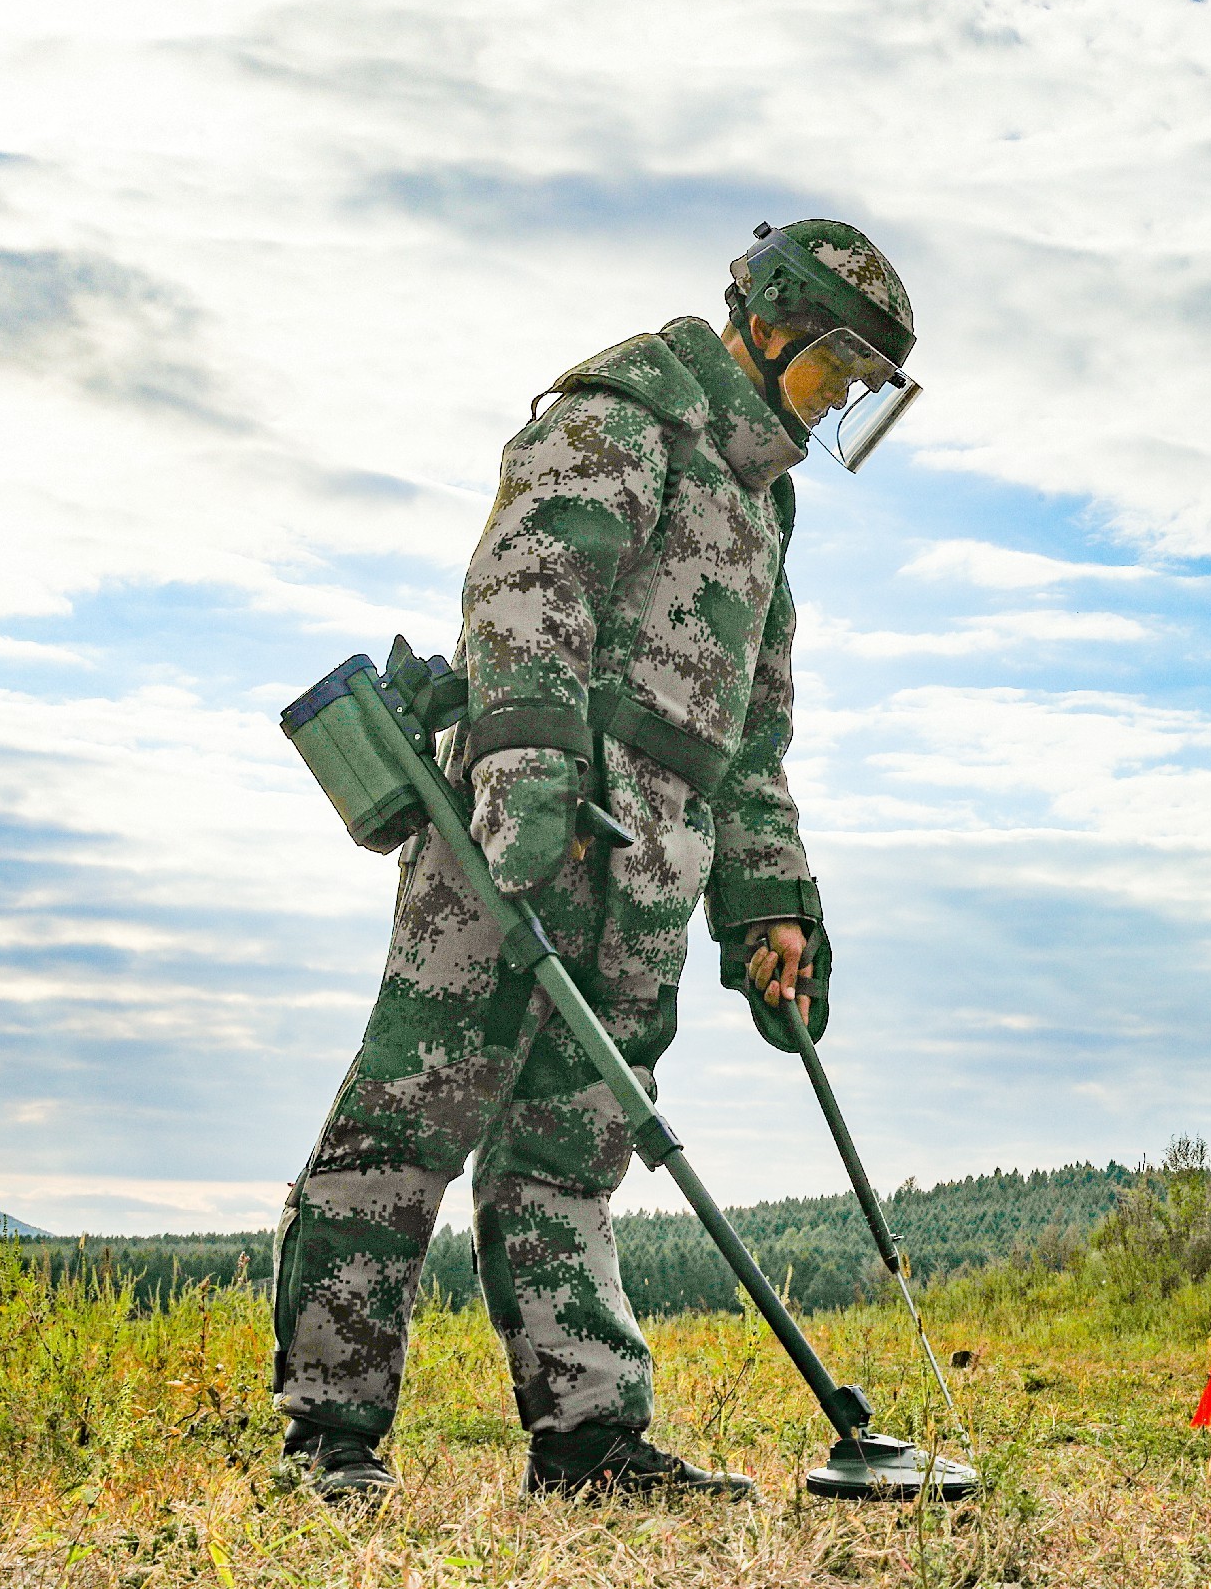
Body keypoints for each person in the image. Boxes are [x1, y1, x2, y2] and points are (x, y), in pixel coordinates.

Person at [270, 220, 921, 1503]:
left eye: (859, 389)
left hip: (656, 864)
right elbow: (526, 587)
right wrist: (529, 781)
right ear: (771, 321)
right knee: (407, 1122)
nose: (835, 401)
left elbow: (751, 738)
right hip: (533, 827)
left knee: (573, 1152)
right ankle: (330, 1444)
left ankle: (589, 1443)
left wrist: (771, 904)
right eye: (829, 368)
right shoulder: (628, 409)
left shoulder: (762, 504)